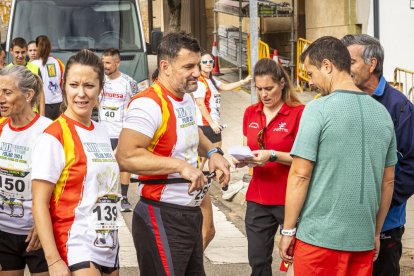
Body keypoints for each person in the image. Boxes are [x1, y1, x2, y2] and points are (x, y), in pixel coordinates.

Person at [279, 36, 397, 276]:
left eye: (310, 74)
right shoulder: (383, 114)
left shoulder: (317, 109)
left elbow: (300, 175)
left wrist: (288, 231)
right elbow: (388, 181)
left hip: (319, 240)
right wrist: (375, 233)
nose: (311, 82)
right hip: (362, 241)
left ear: (327, 66)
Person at [116, 32, 231, 276]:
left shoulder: (185, 98)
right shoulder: (147, 104)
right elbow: (125, 157)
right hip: (161, 216)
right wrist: (180, 166)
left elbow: (192, 132)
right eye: (188, 66)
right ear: (165, 67)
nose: (197, 72)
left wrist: (212, 151)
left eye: (198, 64)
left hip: (189, 213)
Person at [32, 49, 121, 275]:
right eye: (74, 85)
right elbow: (39, 202)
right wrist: (53, 261)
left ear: (100, 88)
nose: (81, 93)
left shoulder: (101, 131)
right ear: (64, 86)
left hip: (108, 242)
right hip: (75, 244)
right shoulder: (54, 136)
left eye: (89, 86)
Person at [341, 34, 414, 276]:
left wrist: (379, 204)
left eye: (350, 62)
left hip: (386, 224)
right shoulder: (341, 100)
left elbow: (411, 167)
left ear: (371, 64)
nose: (344, 68)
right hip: (346, 220)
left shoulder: (400, 107)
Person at [232, 58, 304, 276]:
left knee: (296, 259)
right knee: (258, 260)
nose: (264, 94)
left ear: (282, 83)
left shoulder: (299, 112)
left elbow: (304, 158)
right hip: (258, 197)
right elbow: (248, 147)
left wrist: (272, 155)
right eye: (259, 88)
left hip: (290, 198)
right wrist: (241, 159)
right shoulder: (250, 112)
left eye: (269, 88)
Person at [0, 66, 51, 276]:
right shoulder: (1, 127)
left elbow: (62, 186)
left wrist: (43, 225)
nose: (1, 98)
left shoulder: (48, 130)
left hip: (37, 232)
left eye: (7, 92)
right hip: (5, 231)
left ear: (28, 95)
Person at [194, 51, 251, 170]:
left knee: (207, 156)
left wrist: (243, 82)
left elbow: (224, 87)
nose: (208, 64)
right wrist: (212, 124)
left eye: (210, 61)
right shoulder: (200, 82)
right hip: (206, 125)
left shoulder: (211, 79)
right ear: (199, 64)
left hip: (211, 123)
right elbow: (200, 104)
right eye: (204, 62)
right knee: (216, 153)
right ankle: (210, 178)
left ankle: (204, 179)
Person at [99, 48, 140, 212]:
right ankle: (106, 196)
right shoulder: (99, 80)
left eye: (108, 62)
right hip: (103, 131)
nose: (105, 66)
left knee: (123, 166)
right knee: (104, 166)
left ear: (117, 62)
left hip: (121, 132)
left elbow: (138, 103)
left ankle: (123, 198)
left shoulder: (128, 82)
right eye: (103, 62)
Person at [8, 37, 45, 116]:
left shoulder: (35, 69)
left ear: (26, 51)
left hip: (32, 114)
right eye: (17, 52)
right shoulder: (6, 71)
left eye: (23, 52)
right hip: (13, 114)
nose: (20, 55)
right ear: (11, 51)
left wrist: (42, 114)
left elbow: (41, 93)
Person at [32, 35, 65, 120]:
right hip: (59, 103)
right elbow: (63, 83)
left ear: (37, 47)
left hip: (43, 105)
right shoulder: (58, 62)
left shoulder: (33, 64)